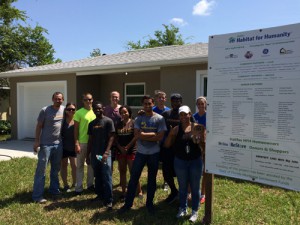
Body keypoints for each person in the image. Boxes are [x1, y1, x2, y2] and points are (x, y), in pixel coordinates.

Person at [118, 95, 167, 214]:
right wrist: (153, 134)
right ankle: (128, 204)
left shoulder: (159, 118)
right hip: (141, 153)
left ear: (153, 103)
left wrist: (145, 134)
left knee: (152, 179)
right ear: (142, 105)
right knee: (134, 178)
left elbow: (160, 136)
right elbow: (137, 134)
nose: (147, 106)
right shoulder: (139, 118)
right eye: (145, 104)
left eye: (149, 103)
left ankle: (149, 204)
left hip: (154, 153)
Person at [164, 105, 205, 223]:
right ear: (179, 116)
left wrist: (199, 140)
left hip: (195, 161)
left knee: (195, 187)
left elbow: (204, 146)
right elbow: (167, 145)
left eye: (186, 114)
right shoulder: (176, 129)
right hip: (180, 161)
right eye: (181, 115)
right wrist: (171, 134)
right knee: (182, 187)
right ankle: (183, 208)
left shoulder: (198, 127)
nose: (184, 117)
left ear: (190, 114)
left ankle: (195, 210)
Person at [32, 92, 65, 203]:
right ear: (52, 99)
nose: (58, 100)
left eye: (60, 99)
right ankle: (37, 196)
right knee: (41, 170)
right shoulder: (45, 110)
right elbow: (39, 126)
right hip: (45, 145)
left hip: (58, 144)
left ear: (62, 100)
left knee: (55, 169)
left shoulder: (64, 110)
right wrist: (37, 141)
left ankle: (54, 191)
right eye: (56, 99)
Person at [86, 101, 115, 210]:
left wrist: (107, 152)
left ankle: (109, 200)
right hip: (95, 154)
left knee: (107, 177)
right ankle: (100, 195)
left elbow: (112, 137)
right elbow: (90, 140)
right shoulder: (92, 123)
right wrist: (87, 154)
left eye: (99, 108)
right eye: (95, 109)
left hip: (105, 154)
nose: (97, 110)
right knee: (97, 175)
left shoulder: (108, 121)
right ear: (93, 110)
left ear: (103, 108)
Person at [160, 93, 184, 204]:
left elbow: (192, 127)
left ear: (181, 102)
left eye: (178, 101)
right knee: (166, 172)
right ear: (171, 102)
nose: (176, 103)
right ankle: (174, 191)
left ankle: (183, 194)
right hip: (168, 148)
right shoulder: (166, 114)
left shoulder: (185, 114)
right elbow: (161, 130)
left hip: (181, 149)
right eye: (173, 101)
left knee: (181, 173)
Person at [115, 105, 142, 199]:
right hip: (121, 151)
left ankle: (139, 191)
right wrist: (120, 148)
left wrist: (127, 147)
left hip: (131, 150)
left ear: (129, 112)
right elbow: (115, 138)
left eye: (125, 112)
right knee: (122, 171)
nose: (123, 114)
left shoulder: (134, 123)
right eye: (121, 112)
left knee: (133, 172)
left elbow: (136, 136)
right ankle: (124, 191)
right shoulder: (118, 124)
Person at [74, 93, 96, 195]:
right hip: (82, 142)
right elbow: (75, 129)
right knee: (80, 166)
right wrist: (76, 143)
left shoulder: (96, 112)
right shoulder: (78, 113)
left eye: (90, 99)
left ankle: (90, 185)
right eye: (86, 100)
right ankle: (78, 188)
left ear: (92, 100)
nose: (88, 101)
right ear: (82, 101)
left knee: (91, 165)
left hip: (93, 143)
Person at [152, 90, 170, 192]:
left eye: (163, 98)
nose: (161, 99)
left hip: (165, 141)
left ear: (165, 99)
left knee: (165, 163)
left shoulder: (168, 111)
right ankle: (152, 182)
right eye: (159, 97)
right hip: (154, 141)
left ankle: (166, 182)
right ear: (156, 99)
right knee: (154, 163)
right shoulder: (152, 110)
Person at [193, 96, 207, 204]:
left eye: (203, 104)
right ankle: (193, 191)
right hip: (196, 147)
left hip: (207, 147)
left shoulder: (209, 116)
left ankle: (203, 194)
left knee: (205, 171)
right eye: (199, 104)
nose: (201, 106)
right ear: (197, 105)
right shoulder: (194, 117)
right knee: (196, 171)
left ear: (205, 105)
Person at [60, 102, 77, 192]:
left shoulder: (77, 120)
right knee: (64, 165)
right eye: (69, 109)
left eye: (73, 109)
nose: (71, 111)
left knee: (74, 165)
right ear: (66, 111)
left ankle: (75, 183)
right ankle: (66, 185)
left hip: (74, 146)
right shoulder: (62, 121)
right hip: (63, 147)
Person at [103, 91, 122, 171]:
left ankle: (122, 182)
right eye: (113, 96)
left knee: (121, 162)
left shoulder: (122, 109)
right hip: (109, 138)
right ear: (110, 98)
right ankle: (109, 180)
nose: (115, 98)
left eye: (116, 97)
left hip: (120, 138)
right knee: (109, 161)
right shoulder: (105, 109)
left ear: (119, 98)